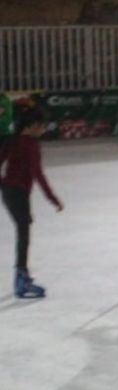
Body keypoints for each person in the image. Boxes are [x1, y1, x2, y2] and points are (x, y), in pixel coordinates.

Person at [0, 107, 64, 298]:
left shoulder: (11, 140)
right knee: (24, 230)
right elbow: (38, 174)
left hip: (7, 191)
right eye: (43, 127)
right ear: (34, 126)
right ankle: (21, 277)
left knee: (24, 227)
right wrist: (53, 199)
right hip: (18, 192)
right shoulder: (31, 145)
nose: (44, 130)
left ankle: (22, 274)